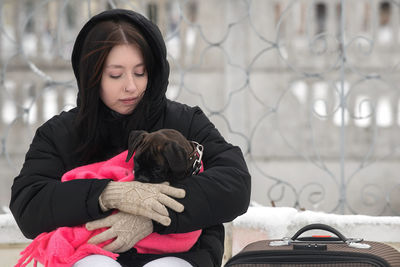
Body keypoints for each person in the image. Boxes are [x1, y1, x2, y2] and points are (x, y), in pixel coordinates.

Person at [9, 8, 251, 267]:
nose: (131, 87)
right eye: (115, 75)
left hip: (179, 255)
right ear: (92, 76)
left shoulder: (184, 121)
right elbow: (29, 204)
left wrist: (153, 216)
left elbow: (234, 183)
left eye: (140, 72)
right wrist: (107, 194)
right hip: (89, 255)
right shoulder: (60, 133)